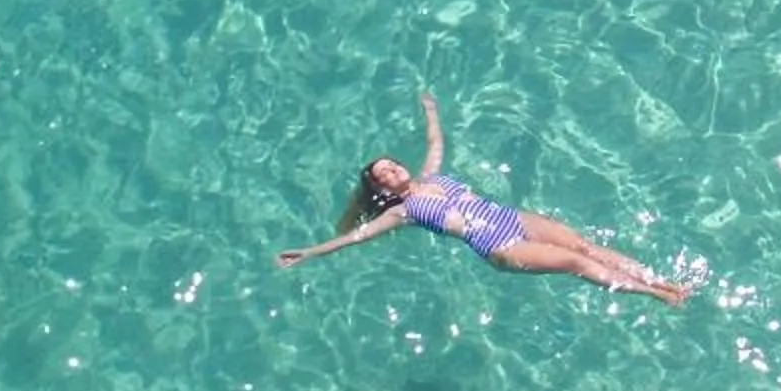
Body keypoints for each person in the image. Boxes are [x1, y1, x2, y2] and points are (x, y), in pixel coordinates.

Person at [276, 93, 695, 305]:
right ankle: (661, 296)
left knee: (584, 245)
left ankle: (659, 280)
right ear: (382, 191)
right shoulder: (403, 212)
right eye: (383, 175)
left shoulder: (432, 175)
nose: (392, 171)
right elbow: (356, 236)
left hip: (514, 218)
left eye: (392, 165)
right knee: (576, 263)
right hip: (499, 245)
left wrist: (431, 112)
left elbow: (435, 141)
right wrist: (308, 253)